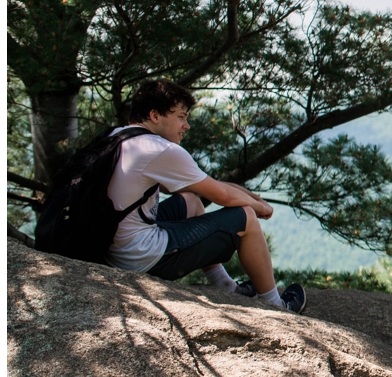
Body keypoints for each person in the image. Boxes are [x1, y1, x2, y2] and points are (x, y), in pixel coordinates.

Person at [106, 79, 306, 313]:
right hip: (138, 257)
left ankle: (224, 284)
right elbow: (224, 197)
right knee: (246, 217)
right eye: (181, 117)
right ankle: (276, 305)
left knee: (190, 200)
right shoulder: (160, 149)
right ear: (155, 115)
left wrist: (251, 195)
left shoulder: (117, 136)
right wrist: (260, 207)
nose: (186, 125)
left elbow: (198, 187)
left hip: (113, 248)